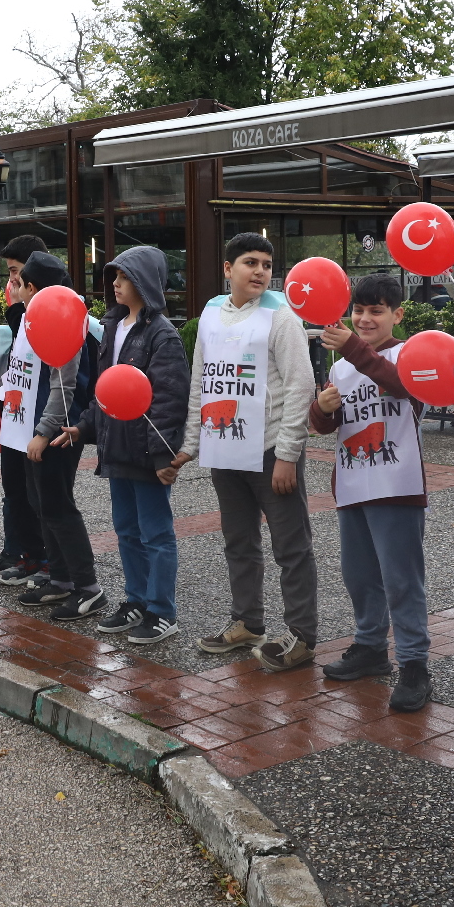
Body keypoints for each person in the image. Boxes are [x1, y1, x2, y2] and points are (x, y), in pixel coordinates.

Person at [168, 232, 317, 672]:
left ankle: (302, 636)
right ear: (228, 269)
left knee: (292, 547)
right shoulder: (211, 315)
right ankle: (248, 622)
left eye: (267, 265)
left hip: (271, 452)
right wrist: (190, 445)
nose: (260, 272)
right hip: (225, 449)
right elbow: (202, 382)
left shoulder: (281, 317)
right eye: (250, 262)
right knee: (238, 542)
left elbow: (301, 386)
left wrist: (288, 454)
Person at [310, 272, 434, 711]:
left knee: (402, 579)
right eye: (358, 310)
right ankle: (370, 646)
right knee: (359, 575)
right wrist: (321, 409)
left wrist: (351, 347)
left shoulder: (409, 354)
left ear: (397, 315)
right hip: (352, 484)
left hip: (397, 486)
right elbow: (327, 423)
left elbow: (402, 385)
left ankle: (415, 664)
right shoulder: (341, 364)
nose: (364, 319)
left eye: (376, 311)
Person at [67, 246, 188, 645]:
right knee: (127, 532)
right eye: (114, 276)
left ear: (143, 281)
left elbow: (169, 400)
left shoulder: (162, 335)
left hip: (147, 454)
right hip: (116, 449)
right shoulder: (112, 326)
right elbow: (105, 391)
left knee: (156, 534)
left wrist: (163, 455)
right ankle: (136, 600)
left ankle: (162, 610)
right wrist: (83, 428)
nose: (115, 284)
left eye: (123, 276)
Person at [19, 251, 104, 621]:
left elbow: (64, 386)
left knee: (58, 505)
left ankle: (89, 588)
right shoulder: (37, 316)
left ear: (32, 287)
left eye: (18, 282)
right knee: (42, 504)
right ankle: (60, 578)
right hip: (41, 426)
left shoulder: (63, 317)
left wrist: (43, 431)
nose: (13, 289)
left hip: (60, 431)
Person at [0, 234, 54, 582]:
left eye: (15, 273)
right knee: (14, 488)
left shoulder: (53, 308)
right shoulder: (22, 305)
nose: (11, 281)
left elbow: (36, 343)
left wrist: (16, 309)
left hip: (39, 418)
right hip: (15, 412)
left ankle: (50, 561)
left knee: (40, 495)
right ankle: (24, 551)